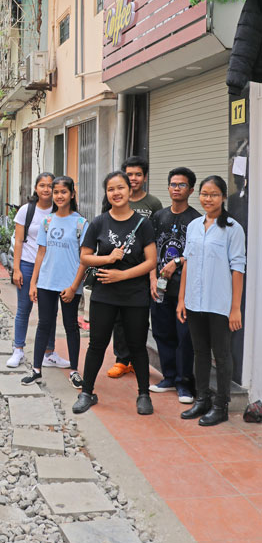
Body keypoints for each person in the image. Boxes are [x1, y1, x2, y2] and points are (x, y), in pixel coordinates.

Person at [73, 170, 157, 416]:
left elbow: (151, 261)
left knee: (137, 346)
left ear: (130, 191)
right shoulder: (99, 222)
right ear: (107, 193)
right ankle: (87, 392)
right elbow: (85, 256)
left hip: (135, 295)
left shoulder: (143, 223)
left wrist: (122, 274)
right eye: (111, 189)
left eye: (120, 188)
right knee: (97, 344)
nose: (116, 193)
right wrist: (107, 258)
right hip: (104, 295)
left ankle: (144, 394)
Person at [177, 175, 246, 426]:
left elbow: (238, 269)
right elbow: (187, 263)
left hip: (220, 303)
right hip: (195, 301)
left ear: (224, 197)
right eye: (205, 194)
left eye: (214, 194)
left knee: (223, 355)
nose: (208, 198)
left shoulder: (233, 229)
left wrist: (235, 308)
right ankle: (202, 399)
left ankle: (221, 405)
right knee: (200, 352)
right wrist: (181, 299)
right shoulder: (194, 225)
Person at [21, 176, 87, 388]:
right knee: (44, 325)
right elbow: (40, 253)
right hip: (46, 284)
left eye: (63, 192)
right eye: (55, 191)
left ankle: (74, 370)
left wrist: (74, 286)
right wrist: (33, 283)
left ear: (72, 195)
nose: (59, 195)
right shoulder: (47, 221)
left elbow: (84, 258)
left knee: (71, 327)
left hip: (69, 285)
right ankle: (36, 369)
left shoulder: (80, 223)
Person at [107, 155, 162, 380]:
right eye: (129, 174)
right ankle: (122, 360)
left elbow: (155, 241)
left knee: (138, 319)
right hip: (117, 269)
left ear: (145, 177)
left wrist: (152, 275)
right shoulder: (117, 199)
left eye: (138, 174)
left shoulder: (153, 204)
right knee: (118, 318)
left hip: (142, 270)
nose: (134, 178)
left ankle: (137, 359)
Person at [6, 172, 69, 369]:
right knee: (24, 308)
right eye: (42, 185)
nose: (46, 189)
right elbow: (18, 241)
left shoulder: (59, 211)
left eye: (50, 186)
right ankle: (18, 350)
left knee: (49, 311)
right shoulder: (27, 210)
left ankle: (48, 353)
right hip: (27, 263)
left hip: (50, 267)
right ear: (36, 188)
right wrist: (16, 269)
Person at [149, 167, 201, 403]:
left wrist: (177, 261)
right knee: (162, 332)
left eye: (181, 185)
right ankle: (168, 377)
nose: (176, 189)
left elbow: (200, 254)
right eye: (173, 184)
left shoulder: (197, 220)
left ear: (190, 189)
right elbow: (149, 250)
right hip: (159, 287)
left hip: (185, 289)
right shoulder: (158, 216)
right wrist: (152, 279)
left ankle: (184, 383)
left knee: (184, 337)